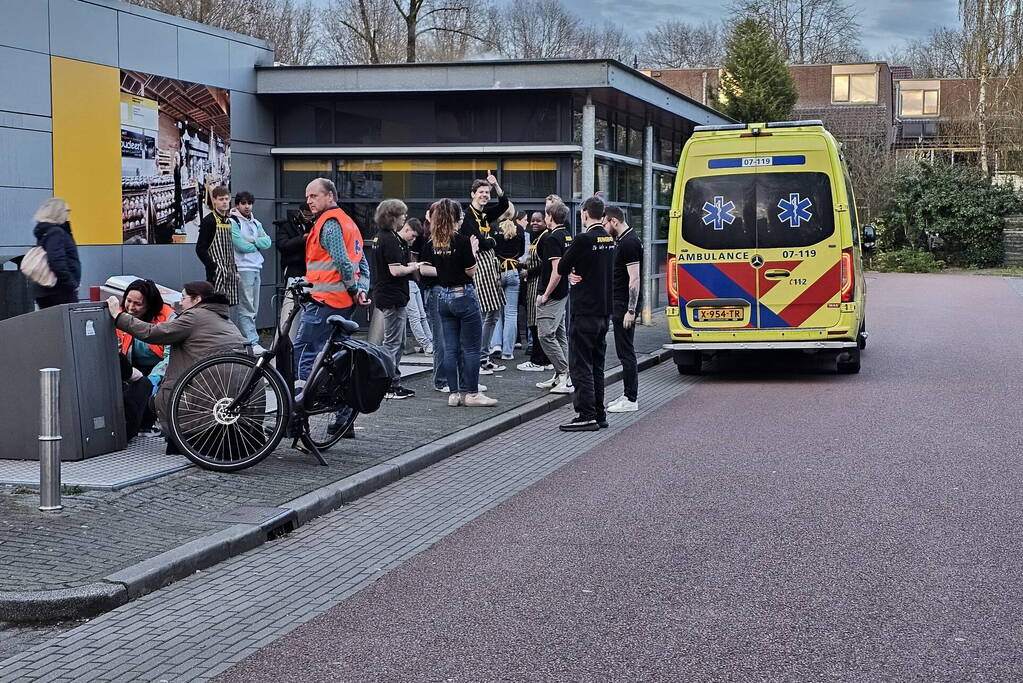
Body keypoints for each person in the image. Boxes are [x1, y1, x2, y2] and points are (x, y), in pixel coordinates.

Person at [106, 281, 246, 454]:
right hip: (232, 392)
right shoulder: (223, 320)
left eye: (183, 298)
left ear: (197, 300)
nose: (180, 303)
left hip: (206, 389)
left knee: (156, 393)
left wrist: (119, 317)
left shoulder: (192, 317)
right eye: (128, 301)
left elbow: (153, 333)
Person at [294, 178, 370, 435]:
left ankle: (298, 417)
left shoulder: (330, 224)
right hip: (343, 305)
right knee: (339, 359)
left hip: (324, 303)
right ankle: (344, 418)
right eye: (307, 196)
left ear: (330, 196)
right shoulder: (351, 224)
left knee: (304, 353)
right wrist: (360, 291)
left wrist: (351, 288)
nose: (309, 201)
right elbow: (363, 264)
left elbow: (342, 263)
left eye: (313, 196)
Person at [419, 199, 497, 408]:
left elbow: (425, 268)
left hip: (442, 297)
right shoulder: (461, 241)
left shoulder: (432, 242)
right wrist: (472, 250)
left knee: (450, 347)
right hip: (463, 294)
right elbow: (470, 271)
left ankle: (453, 394)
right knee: (471, 347)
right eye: (460, 217)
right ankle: (472, 393)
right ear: (454, 218)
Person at [552, 196, 616, 432]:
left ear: (585, 213)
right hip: (603, 311)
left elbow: (561, 267)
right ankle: (599, 413)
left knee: (580, 364)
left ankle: (586, 414)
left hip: (584, 310)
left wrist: (571, 272)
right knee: (597, 364)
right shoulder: (609, 239)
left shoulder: (583, 239)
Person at [369, 199, 419, 400]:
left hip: (388, 295)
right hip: (392, 297)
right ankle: (389, 384)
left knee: (394, 342)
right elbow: (396, 270)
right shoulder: (389, 239)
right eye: (402, 215)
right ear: (392, 217)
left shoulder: (380, 238)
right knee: (392, 343)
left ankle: (392, 380)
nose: (404, 218)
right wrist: (414, 267)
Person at [115, 279, 175, 440]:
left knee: (146, 387)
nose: (131, 307)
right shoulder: (119, 315)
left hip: (159, 369)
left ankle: (144, 424)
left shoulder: (168, 318)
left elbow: (171, 357)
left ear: (149, 305)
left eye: (137, 304)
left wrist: (153, 378)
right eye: (128, 301)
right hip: (133, 369)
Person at [461, 172, 508, 375]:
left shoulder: (485, 214)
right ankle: (476, 358)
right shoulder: (468, 215)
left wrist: (496, 185)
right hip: (478, 265)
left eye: (487, 192)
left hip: (490, 265)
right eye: (481, 192)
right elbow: (479, 241)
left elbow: (504, 204)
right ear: (472, 194)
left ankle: (484, 354)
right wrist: (493, 242)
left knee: (495, 311)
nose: (485, 195)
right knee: (480, 311)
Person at [604, 206, 642, 413]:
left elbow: (634, 278)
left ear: (614, 221)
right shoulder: (625, 240)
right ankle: (628, 394)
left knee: (626, 352)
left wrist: (631, 310)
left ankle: (631, 398)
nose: (605, 227)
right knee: (623, 351)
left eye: (605, 223)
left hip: (624, 305)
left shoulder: (629, 242)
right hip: (620, 303)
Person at [534, 201, 573, 394]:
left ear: (550, 217)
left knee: (545, 335)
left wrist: (545, 295)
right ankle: (560, 375)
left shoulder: (552, 239)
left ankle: (565, 375)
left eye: (546, 215)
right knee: (559, 334)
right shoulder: (567, 235)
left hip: (552, 294)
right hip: (564, 292)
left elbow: (556, 271)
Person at [230, 191, 272, 353]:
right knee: (246, 307)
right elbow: (240, 245)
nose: (247, 206)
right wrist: (257, 244)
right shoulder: (233, 222)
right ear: (237, 205)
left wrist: (253, 240)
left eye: (249, 203)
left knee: (253, 307)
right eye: (244, 203)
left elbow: (267, 242)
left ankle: (246, 342)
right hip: (243, 268)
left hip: (256, 267)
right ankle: (252, 342)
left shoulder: (256, 223)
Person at [517, 211, 552, 373]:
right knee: (534, 323)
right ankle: (543, 359)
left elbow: (546, 264)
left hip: (537, 285)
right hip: (532, 284)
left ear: (545, 222)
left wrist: (528, 272)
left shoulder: (545, 238)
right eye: (532, 221)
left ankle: (538, 360)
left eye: (538, 220)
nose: (534, 223)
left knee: (535, 323)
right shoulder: (537, 238)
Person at [30, 198, 80, 308]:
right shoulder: (56, 232)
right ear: (58, 212)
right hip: (59, 290)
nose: (68, 214)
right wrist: (70, 283)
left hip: (47, 290)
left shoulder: (46, 231)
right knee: (68, 322)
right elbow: (56, 260)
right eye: (66, 211)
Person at [195, 185, 240, 310]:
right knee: (214, 306)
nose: (224, 202)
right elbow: (200, 249)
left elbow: (231, 250)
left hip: (229, 271)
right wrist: (213, 266)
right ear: (214, 200)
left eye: (226, 199)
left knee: (227, 306)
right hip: (216, 274)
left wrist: (235, 270)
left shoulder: (229, 220)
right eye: (221, 199)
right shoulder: (209, 221)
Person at [490, 207, 526, 360]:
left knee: (496, 311)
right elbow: (522, 251)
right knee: (511, 312)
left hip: (498, 271)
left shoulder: (493, 228)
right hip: (513, 271)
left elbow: (491, 249)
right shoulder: (519, 229)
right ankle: (508, 352)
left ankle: (496, 345)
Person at [274, 208, 313, 343]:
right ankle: (286, 333)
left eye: (311, 215)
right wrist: (302, 239)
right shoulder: (287, 226)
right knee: (291, 300)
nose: (309, 217)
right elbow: (283, 245)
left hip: (309, 268)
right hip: (293, 267)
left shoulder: (312, 224)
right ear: (300, 212)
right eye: (306, 214)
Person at [404, 218, 433, 355]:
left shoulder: (405, 244)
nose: (413, 239)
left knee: (421, 315)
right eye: (413, 236)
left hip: (413, 282)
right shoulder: (399, 243)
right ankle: (427, 344)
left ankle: (430, 343)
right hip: (408, 282)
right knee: (415, 316)